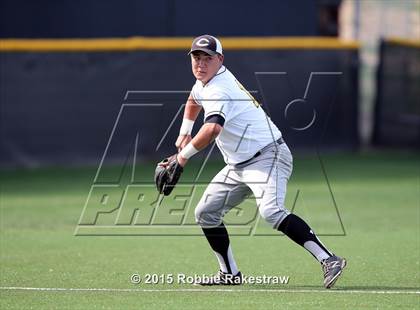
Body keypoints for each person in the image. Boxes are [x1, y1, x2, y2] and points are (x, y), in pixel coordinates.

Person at [175, 35, 346, 288]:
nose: (200, 64)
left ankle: (329, 259)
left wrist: (181, 158)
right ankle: (229, 273)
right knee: (206, 213)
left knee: (271, 211)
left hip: (268, 156)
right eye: (196, 58)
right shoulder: (205, 82)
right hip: (238, 165)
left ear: (220, 60)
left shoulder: (221, 89)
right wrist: (184, 130)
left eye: (207, 58)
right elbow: (193, 98)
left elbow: (212, 130)